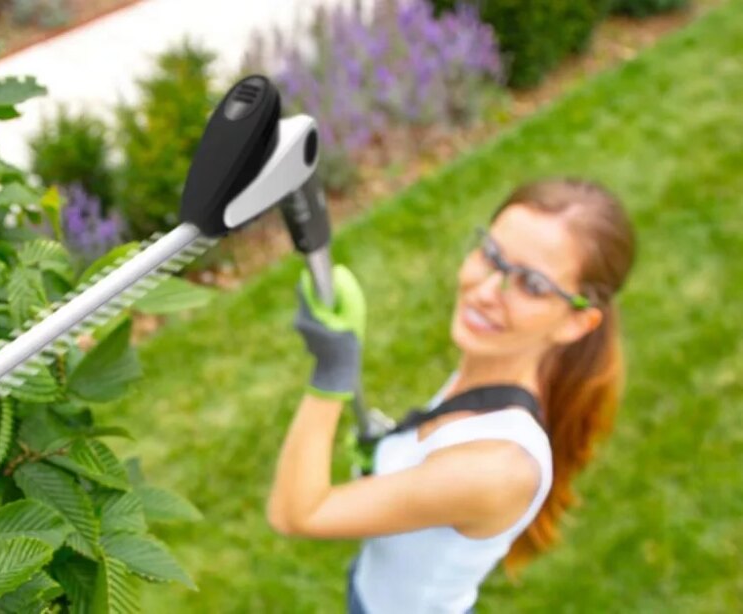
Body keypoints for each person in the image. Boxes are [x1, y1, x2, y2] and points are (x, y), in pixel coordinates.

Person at [265, 178, 637, 613]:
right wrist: (387, 455)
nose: (486, 292)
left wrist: (331, 375)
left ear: (575, 323)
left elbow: (296, 513)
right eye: (491, 255)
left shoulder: (497, 467)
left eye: (532, 284)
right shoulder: (488, 372)